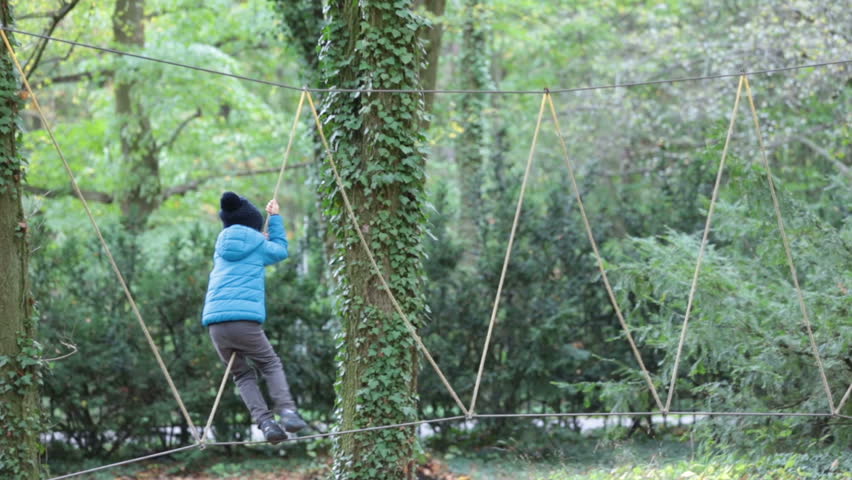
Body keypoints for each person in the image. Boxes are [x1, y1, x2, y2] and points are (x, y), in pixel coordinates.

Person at [202, 191, 308, 444]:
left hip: (216, 325)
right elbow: (281, 250)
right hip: (244, 321)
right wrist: (276, 218)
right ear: (253, 223)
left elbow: (244, 245)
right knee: (269, 363)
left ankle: (266, 423)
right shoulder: (259, 244)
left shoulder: (220, 246)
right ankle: (288, 412)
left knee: (242, 375)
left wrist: (259, 236)